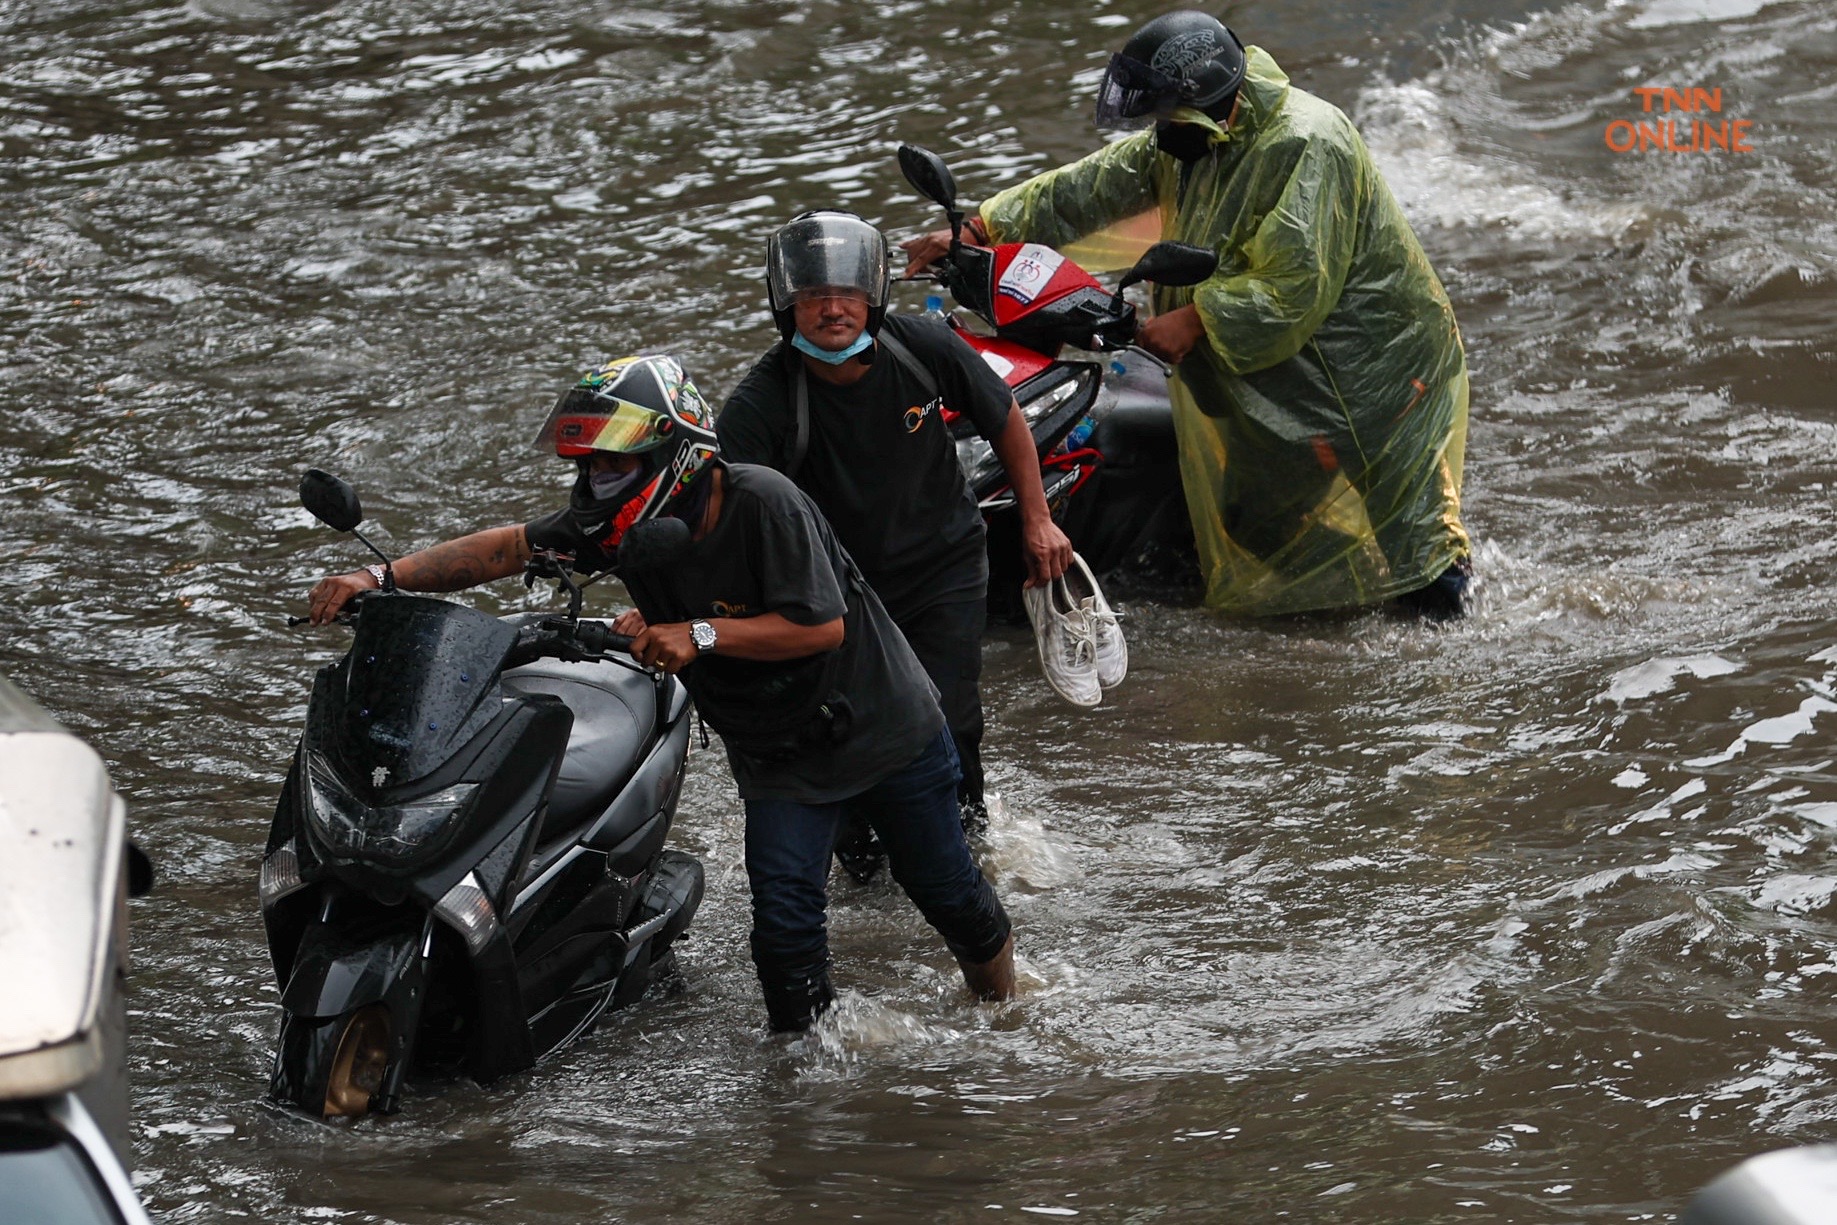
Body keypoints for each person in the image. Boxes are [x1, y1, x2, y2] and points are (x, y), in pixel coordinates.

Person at [307, 355, 1016, 1034]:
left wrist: (697, 634)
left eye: (614, 464)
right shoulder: (612, 527)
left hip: (882, 729)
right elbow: (507, 549)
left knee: (947, 892)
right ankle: (810, 1088)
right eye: (587, 467)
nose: (595, 483)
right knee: (783, 934)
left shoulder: (765, 501)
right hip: (779, 756)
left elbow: (820, 626)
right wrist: (382, 579)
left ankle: (1003, 1010)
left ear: (673, 454)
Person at [901, 12, 1474, 620]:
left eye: (1166, 114)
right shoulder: (1188, 143)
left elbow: (1295, 283)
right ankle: (1360, 599)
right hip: (1284, 380)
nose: (1158, 130)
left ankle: (1454, 652)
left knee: (1419, 553)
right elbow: (1092, 186)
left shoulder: (1307, 142)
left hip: (1370, 374)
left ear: (1207, 100)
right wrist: (981, 226)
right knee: (1254, 522)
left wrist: (1196, 320)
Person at [718, 210, 1074, 839]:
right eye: (815, 297)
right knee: (847, 728)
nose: (834, 310)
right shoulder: (759, 406)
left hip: (944, 566)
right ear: (786, 306)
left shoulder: (923, 346)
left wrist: (1037, 519)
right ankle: (866, 860)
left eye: (848, 294)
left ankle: (965, 844)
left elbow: (1005, 418)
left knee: (951, 715)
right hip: (840, 593)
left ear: (874, 297)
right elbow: (732, 522)